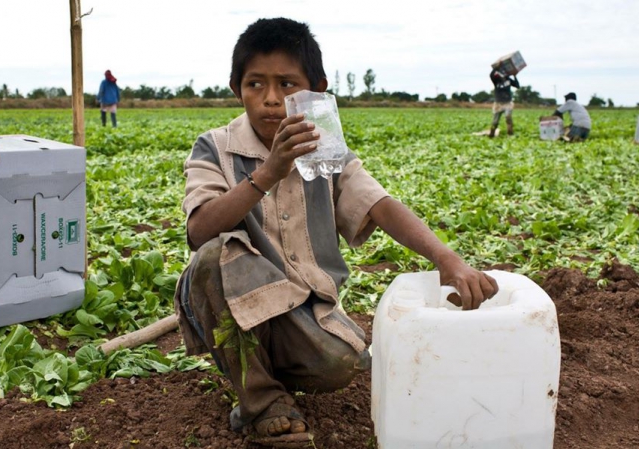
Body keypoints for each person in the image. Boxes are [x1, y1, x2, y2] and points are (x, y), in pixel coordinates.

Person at [174, 17, 499, 448]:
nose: (271, 99)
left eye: (287, 85)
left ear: (315, 90)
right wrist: (269, 172)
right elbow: (199, 230)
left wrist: (447, 258)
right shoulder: (215, 146)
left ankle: (265, 369)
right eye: (255, 85)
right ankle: (261, 402)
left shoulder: (326, 149)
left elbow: (379, 205)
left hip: (301, 307)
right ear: (237, 88)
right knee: (216, 254)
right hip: (231, 296)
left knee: (341, 364)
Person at [489, 68, 520, 137]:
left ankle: (510, 134)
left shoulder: (508, 79)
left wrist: (515, 76)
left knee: (508, 118)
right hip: (498, 103)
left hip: (507, 103)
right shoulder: (496, 81)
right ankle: (491, 134)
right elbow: (491, 75)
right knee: (495, 121)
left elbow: (517, 86)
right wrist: (495, 68)